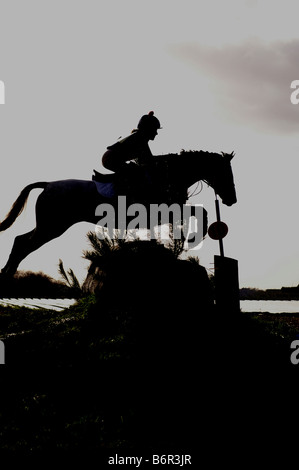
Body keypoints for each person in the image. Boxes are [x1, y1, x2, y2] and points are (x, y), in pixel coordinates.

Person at [100, 111, 162, 199]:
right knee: (137, 174)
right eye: (155, 129)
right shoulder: (140, 139)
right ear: (148, 129)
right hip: (110, 159)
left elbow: (146, 159)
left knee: (136, 171)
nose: (156, 133)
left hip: (110, 158)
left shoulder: (140, 137)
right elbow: (148, 160)